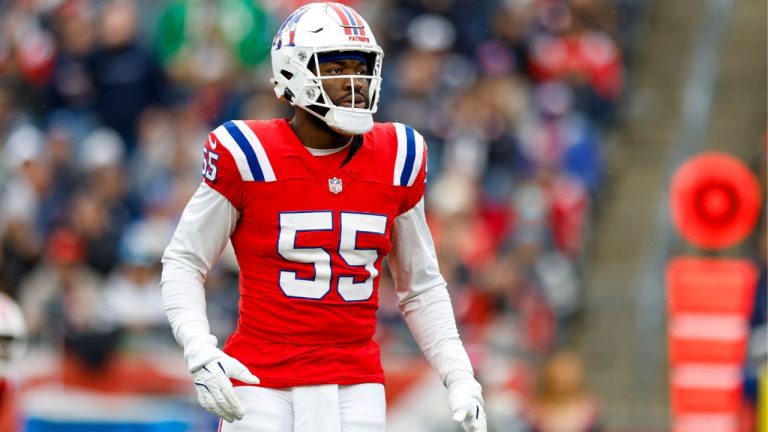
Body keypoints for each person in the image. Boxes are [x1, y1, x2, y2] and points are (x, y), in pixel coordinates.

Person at [160, 3, 487, 431]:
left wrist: (459, 374)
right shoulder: (247, 153)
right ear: (293, 72)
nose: (356, 82)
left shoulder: (398, 155)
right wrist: (199, 348)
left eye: (363, 67)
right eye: (337, 68)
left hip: (355, 382)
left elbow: (420, 286)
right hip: (261, 379)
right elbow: (184, 259)